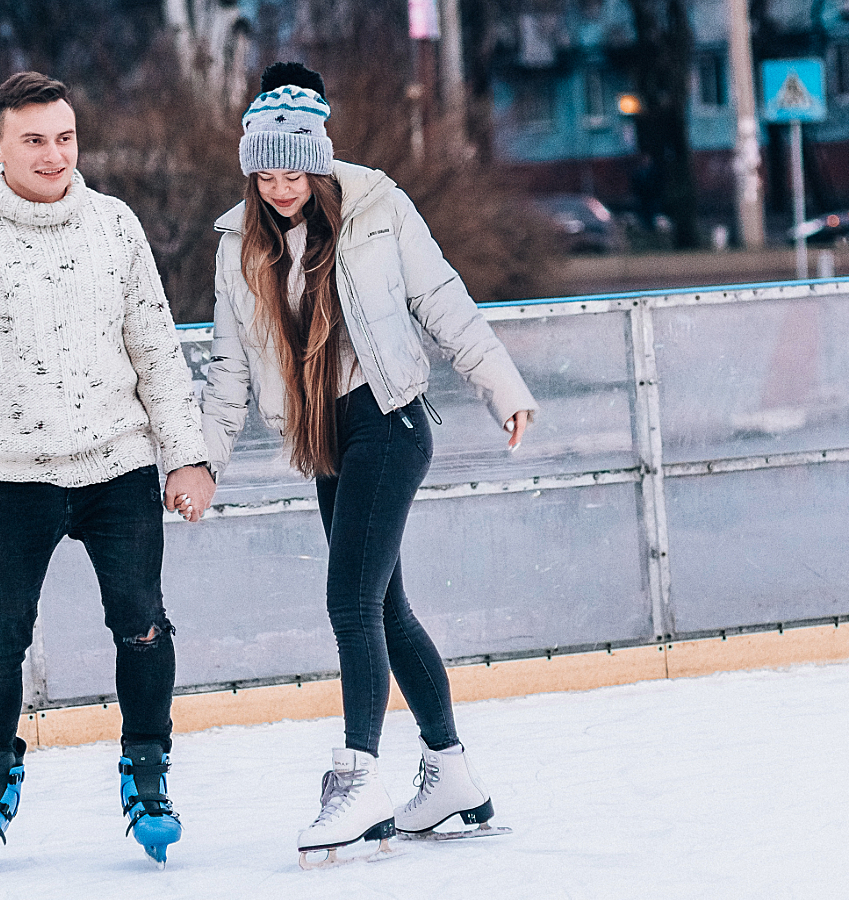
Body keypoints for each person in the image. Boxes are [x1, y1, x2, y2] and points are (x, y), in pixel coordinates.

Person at [195, 62, 538, 866]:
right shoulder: (235, 242)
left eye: (295, 169)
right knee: (384, 611)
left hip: (389, 420)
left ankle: (359, 779)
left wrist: (502, 387)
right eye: (264, 171)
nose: (281, 187)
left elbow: (441, 298)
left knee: (350, 601)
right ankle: (451, 771)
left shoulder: (378, 205)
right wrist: (201, 462)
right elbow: (226, 369)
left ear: (319, 157)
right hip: (325, 437)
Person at [0, 71, 215, 870]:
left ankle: (147, 773)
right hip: (11, 474)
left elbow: (156, 347)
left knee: (143, 624)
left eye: (65, 138)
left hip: (118, 466)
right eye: (35, 140)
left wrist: (186, 454)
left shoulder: (114, 225)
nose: (53, 154)